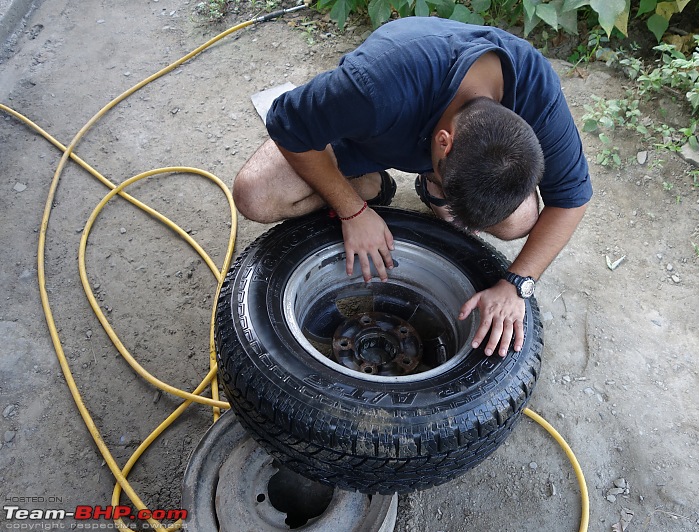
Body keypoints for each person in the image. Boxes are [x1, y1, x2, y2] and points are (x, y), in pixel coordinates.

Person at [233, 16, 592, 358]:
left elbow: (572, 200)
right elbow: (287, 123)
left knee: (518, 220)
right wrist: (352, 210)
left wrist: (517, 283)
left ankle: (430, 187)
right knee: (256, 196)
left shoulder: (536, 91)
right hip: (368, 134)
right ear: (444, 141)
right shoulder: (374, 87)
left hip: (430, 145)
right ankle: (366, 185)